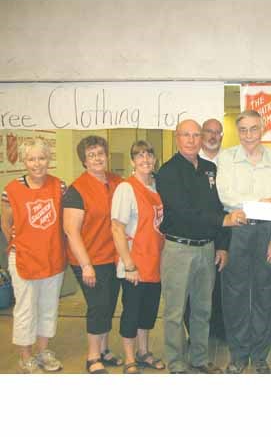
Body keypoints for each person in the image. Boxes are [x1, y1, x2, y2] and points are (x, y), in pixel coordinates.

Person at [156, 119, 245, 374]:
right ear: (177, 137)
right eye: (186, 135)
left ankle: (199, 358)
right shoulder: (168, 172)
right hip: (178, 249)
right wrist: (222, 220)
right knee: (175, 311)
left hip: (207, 249)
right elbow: (184, 211)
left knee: (203, 308)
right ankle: (176, 362)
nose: (192, 140)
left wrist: (222, 245)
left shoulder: (210, 169)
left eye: (196, 135)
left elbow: (218, 207)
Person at [217, 110, 271, 374]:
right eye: (244, 129)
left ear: (263, 130)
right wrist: (262, 204)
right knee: (234, 295)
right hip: (237, 231)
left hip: (267, 233)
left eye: (254, 129)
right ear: (238, 132)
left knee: (265, 295)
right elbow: (227, 197)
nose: (249, 135)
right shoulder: (226, 158)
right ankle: (238, 355)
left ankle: (260, 356)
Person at [1, 138, 66, 373]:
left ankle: (43, 351)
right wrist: (23, 244)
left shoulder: (59, 186)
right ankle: (25, 355)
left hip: (52, 257)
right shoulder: (11, 190)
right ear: (23, 161)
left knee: (48, 306)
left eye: (41, 158)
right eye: (31, 159)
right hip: (23, 258)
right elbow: (6, 224)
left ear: (48, 159)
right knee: (26, 307)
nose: (37, 164)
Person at [63, 135, 123, 374]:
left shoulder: (117, 182)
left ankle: (105, 350)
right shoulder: (76, 190)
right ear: (84, 161)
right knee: (98, 306)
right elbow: (71, 230)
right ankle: (92, 356)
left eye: (100, 153)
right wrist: (86, 265)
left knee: (108, 305)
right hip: (88, 260)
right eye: (91, 155)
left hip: (112, 257)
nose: (97, 158)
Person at [111, 140, 165, 374]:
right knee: (132, 312)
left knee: (148, 312)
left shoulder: (157, 186)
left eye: (149, 155)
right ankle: (130, 357)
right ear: (132, 161)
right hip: (134, 264)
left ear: (154, 160)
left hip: (155, 261)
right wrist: (129, 265)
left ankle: (144, 352)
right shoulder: (126, 188)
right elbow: (116, 228)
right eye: (139, 156)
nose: (145, 160)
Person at [184, 118, 226, 341]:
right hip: (191, 238)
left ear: (222, 136)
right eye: (207, 131)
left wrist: (223, 244)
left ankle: (217, 329)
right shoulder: (191, 163)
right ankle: (196, 334)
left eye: (217, 132)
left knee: (219, 287)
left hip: (220, 235)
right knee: (193, 291)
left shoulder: (227, 163)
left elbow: (226, 207)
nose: (212, 136)